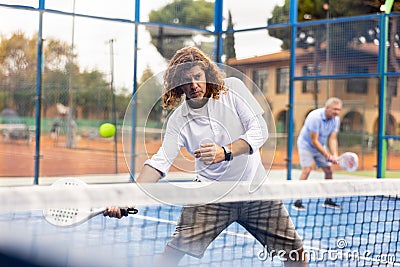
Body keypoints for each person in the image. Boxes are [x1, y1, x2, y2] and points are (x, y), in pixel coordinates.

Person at [104, 46, 305, 266]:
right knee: (172, 253)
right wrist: (128, 197)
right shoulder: (178, 120)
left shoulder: (233, 88)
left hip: (254, 189)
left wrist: (225, 152)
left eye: (197, 76)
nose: (193, 85)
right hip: (209, 194)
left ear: (207, 74)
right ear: (177, 85)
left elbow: (260, 130)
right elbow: (159, 163)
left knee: (295, 252)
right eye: (186, 80)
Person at [294, 97, 342, 211]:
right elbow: (314, 141)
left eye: (339, 110)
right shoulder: (314, 117)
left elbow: (333, 139)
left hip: (320, 145)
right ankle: (297, 201)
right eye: (335, 109)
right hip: (306, 145)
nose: (337, 112)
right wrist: (327, 155)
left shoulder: (336, 119)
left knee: (329, 171)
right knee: (307, 169)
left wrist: (334, 154)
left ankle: (328, 200)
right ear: (327, 108)